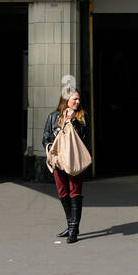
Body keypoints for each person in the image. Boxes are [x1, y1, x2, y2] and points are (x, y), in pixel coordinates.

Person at [43, 78, 90, 244]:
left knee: (75, 192)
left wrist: (73, 121)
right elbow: (46, 138)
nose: (77, 101)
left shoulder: (81, 117)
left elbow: (84, 138)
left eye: (78, 99)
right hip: (59, 162)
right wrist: (50, 150)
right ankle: (71, 225)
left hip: (75, 161)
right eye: (74, 99)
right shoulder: (53, 117)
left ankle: (74, 230)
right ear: (66, 100)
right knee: (63, 193)